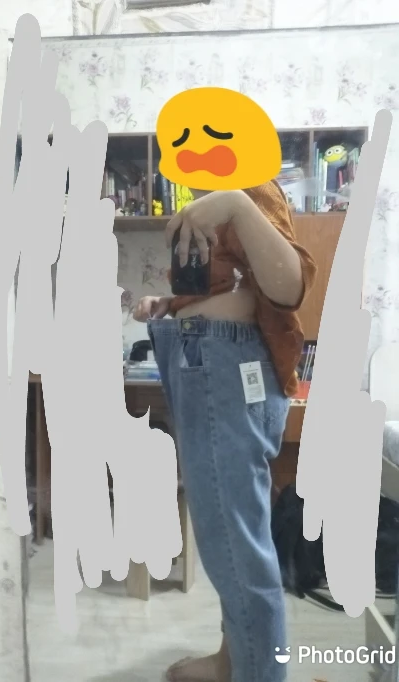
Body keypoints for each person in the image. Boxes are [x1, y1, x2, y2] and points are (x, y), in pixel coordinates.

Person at [133, 181, 317, 682]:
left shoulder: (248, 189)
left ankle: (258, 672)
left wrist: (235, 203)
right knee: (231, 539)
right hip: (214, 366)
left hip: (227, 371)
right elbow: (235, 290)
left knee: (236, 547)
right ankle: (234, 658)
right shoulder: (213, 197)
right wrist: (171, 305)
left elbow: (287, 287)